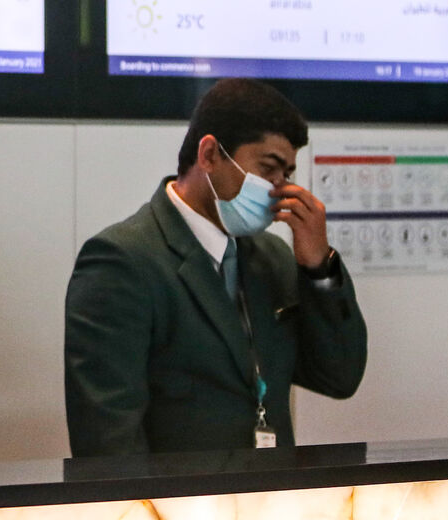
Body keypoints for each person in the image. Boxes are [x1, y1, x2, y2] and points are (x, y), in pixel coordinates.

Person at [64, 78, 367, 456]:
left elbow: (339, 376)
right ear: (209, 154)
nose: (278, 189)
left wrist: (318, 269)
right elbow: (107, 440)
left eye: (286, 174)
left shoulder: (271, 257)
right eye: (268, 169)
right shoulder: (122, 261)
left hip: (272, 498)